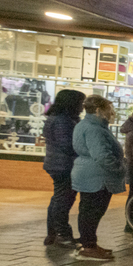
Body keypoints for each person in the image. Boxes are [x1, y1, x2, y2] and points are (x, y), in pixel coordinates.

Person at [71, 95, 126, 261]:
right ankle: (88, 246)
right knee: (92, 211)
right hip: (96, 177)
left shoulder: (90, 125)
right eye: (108, 109)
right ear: (97, 110)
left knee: (90, 211)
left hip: (91, 174)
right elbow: (102, 155)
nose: (111, 112)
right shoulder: (94, 129)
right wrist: (120, 168)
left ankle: (90, 244)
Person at [41, 89, 85, 247]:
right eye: (81, 103)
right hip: (63, 165)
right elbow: (67, 144)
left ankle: (53, 234)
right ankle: (62, 234)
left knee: (59, 199)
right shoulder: (62, 120)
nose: (83, 106)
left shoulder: (62, 118)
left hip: (58, 164)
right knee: (63, 199)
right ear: (71, 103)